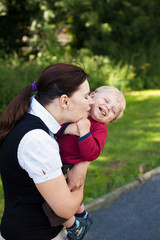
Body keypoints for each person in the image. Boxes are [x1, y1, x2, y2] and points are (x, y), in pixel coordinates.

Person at [0, 63, 94, 240]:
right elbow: (65, 208)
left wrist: (82, 162)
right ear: (65, 101)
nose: (91, 102)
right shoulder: (37, 140)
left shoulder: (32, 115)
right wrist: (79, 179)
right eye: (86, 96)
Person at [42, 86, 126, 239]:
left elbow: (91, 154)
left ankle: (74, 227)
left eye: (113, 110)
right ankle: (83, 215)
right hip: (54, 155)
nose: (108, 107)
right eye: (106, 100)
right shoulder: (77, 111)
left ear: (110, 121)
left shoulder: (100, 128)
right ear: (91, 96)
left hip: (67, 163)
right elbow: (56, 125)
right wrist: (69, 129)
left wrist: (85, 131)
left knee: (55, 199)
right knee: (65, 193)